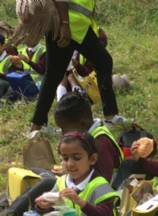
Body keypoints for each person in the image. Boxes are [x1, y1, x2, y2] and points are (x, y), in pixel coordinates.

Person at [0, 92, 122, 216]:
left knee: (46, 182)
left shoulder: (101, 142)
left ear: (82, 124)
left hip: (89, 193)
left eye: (65, 129)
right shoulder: (88, 134)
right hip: (75, 179)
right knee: (31, 173)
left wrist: (68, 174)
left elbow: (101, 182)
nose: (62, 134)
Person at [29, 0, 124, 133]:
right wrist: (64, 25)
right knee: (54, 74)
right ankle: (37, 126)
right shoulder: (65, 25)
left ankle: (111, 116)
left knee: (103, 61)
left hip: (77, 27)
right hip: (65, 26)